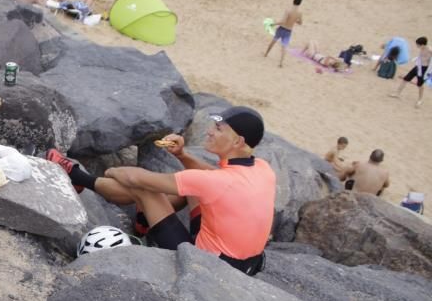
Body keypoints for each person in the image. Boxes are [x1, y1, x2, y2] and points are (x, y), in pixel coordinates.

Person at [47, 106, 276, 276]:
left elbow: (135, 178)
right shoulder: (262, 168)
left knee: (145, 191)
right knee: (194, 189)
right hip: (248, 263)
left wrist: (114, 170)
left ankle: (77, 176)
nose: (209, 132)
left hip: (209, 267)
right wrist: (182, 155)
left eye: (218, 128)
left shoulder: (216, 183)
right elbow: (210, 177)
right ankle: (145, 221)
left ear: (238, 141)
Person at [388, 36, 431, 107]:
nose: (417, 46)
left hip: (424, 69)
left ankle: (420, 100)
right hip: (418, 66)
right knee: (405, 79)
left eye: (418, 44)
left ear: (422, 44)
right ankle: (397, 93)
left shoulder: (429, 49)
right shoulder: (422, 48)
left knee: (420, 85)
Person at [264, 0, 303, 67]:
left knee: (273, 41)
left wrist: (273, 24)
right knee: (284, 46)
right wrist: (294, 20)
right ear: (300, 3)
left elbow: (283, 21)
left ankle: (266, 54)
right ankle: (281, 62)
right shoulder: (299, 13)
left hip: (282, 28)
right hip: (289, 31)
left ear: (293, 1)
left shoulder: (288, 10)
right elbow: (300, 23)